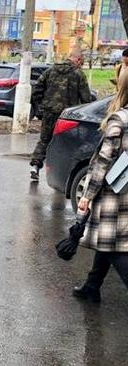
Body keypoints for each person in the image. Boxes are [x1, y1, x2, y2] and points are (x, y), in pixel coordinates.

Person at [74, 69, 128, 303]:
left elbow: (103, 160)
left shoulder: (120, 119)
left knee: (115, 247)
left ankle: (92, 286)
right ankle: (92, 285)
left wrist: (87, 195)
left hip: (115, 193)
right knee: (108, 238)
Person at [30, 49, 91, 181]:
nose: (81, 65)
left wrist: (43, 104)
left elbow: (37, 89)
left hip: (49, 112)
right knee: (65, 142)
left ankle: (35, 166)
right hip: (68, 116)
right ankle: (60, 172)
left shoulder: (50, 70)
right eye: (82, 62)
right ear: (78, 60)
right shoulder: (78, 74)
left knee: (44, 139)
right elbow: (86, 98)